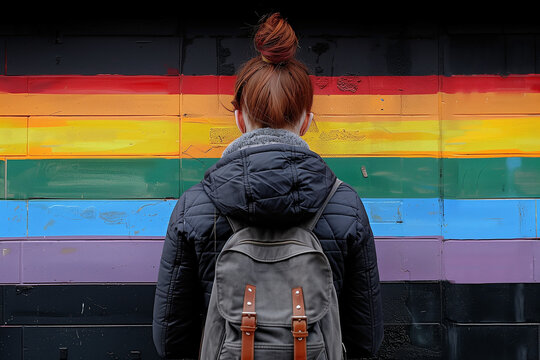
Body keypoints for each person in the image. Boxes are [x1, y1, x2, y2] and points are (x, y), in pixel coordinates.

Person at [152, 12, 384, 359]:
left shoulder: (195, 206)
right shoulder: (344, 205)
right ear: (307, 120)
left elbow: (170, 339)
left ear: (238, 117)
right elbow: (366, 338)